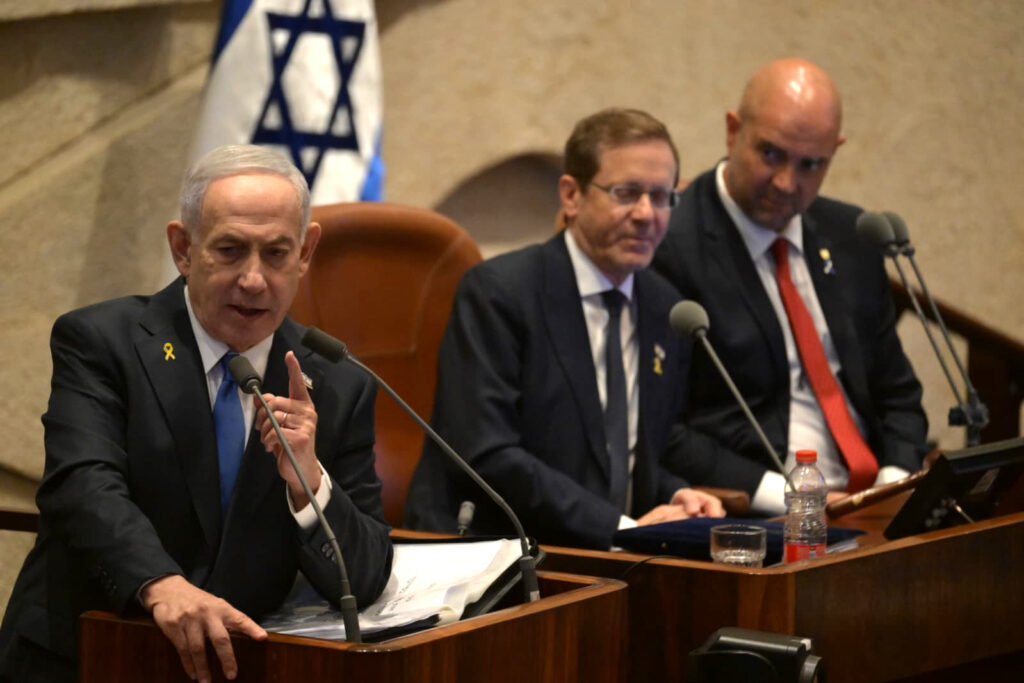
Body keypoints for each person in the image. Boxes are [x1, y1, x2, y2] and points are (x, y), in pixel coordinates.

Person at [0, 145, 393, 683]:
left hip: (240, 666)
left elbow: (367, 575)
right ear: (183, 249)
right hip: (90, 654)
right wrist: (160, 583)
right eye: (230, 250)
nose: (254, 280)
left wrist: (310, 486)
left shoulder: (337, 382)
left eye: (277, 254)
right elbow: (82, 486)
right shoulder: (102, 341)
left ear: (305, 252)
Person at [405, 108, 724, 549]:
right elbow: (488, 455)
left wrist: (674, 494)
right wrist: (624, 530)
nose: (646, 214)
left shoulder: (665, 307)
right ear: (571, 195)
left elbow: (623, 454)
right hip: (500, 555)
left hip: (609, 555)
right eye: (626, 193)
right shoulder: (500, 293)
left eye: (662, 195)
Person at [652, 58, 928, 515]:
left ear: (834, 151)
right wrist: (794, 501)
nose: (786, 182)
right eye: (772, 154)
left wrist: (892, 487)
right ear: (732, 130)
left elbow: (898, 394)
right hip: (761, 517)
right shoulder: (670, 246)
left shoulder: (851, 236)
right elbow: (665, 430)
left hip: (874, 503)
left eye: (811, 165)